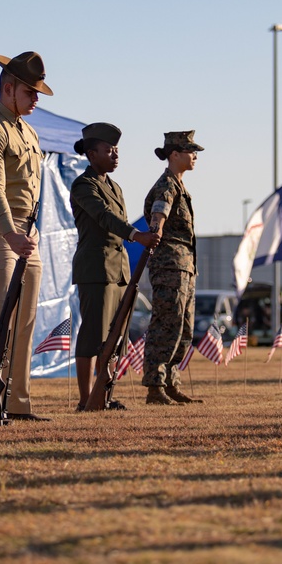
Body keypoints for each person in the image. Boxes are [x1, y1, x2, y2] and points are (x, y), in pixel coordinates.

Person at [0, 51, 51, 424]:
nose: (36, 100)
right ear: (8, 88)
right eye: (30, 93)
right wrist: (10, 232)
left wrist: (23, 234)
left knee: (24, 321)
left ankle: (16, 403)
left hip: (25, 232)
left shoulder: (27, 131)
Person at [69, 122, 160, 411]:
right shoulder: (84, 185)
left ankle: (103, 396)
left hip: (118, 270)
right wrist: (137, 235)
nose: (115, 155)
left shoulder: (114, 186)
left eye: (117, 150)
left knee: (116, 337)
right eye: (109, 150)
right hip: (96, 268)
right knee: (93, 335)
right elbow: (104, 217)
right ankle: (86, 399)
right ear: (92, 154)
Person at [141, 130, 204, 406]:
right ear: (174, 155)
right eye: (190, 151)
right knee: (167, 324)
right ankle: (155, 387)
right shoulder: (166, 184)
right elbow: (159, 214)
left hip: (184, 267)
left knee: (184, 328)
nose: (195, 156)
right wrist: (155, 231)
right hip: (169, 267)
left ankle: (170, 382)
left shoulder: (180, 186)